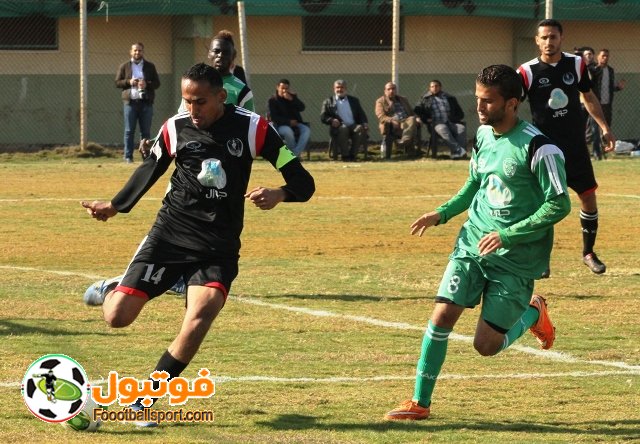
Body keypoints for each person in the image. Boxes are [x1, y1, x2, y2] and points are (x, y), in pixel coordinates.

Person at [81, 63, 315, 425]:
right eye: (187, 100)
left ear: (221, 96)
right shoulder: (175, 128)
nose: (193, 109)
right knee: (117, 317)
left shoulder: (254, 128)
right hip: (170, 235)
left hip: (218, 246)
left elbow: (302, 181)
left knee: (199, 318)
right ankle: (114, 287)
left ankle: (144, 400)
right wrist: (115, 206)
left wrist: (280, 193)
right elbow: (150, 169)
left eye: (200, 101)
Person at [384, 64, 571, 421]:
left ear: (512, 103)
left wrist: (507, 234)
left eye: (488, 101)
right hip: (472, 242)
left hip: (515, 257)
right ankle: (420, 402)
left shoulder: (540, 148)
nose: (480, 107)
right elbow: (475, 184)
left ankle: (534, 312)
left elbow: (559, 204)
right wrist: (442, 213)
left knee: (485, 346)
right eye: (478, 99)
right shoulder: (483, 136)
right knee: (442, 315)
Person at [84, 31, 255, 303]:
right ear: (209, 54)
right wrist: (156, 142)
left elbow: (250, 127)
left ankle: (186, 279)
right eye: (215, 51)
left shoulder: (241, 90)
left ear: (234, 57)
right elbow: (178, 122)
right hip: (189, 168)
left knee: (214, 228)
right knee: (172, 222)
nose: (220, 56)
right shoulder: (195, 85)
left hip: (220, 176)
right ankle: (125, 284)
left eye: (225, 52)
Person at [517, 19, 615, 275]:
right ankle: (541, 260)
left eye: (553, 37)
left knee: (588, 197)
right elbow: (512, 106)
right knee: (543, 203)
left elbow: (588, 96)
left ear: (561, 38)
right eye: (544, 37)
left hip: (575, 146)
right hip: (545, 149)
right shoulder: (526, 72)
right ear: (537, 41)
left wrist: (604, 127)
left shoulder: (576, 64)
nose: (549, 42)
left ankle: (588, 253)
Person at [115, 42, 160, 163]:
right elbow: (117, 82)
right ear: (131, 52)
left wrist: (147, 84)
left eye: (139, 50)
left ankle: (146, 157)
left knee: (145, 132)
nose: (137, 52)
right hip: (130, 103)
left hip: (146, 103)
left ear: (143, 52)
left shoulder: (150, 66)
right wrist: (129, 82)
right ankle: (128, 156)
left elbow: (157, 83)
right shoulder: (124, 66)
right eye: (135, 50)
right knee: (129, 131)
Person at [414, 80, 467, 159]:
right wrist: (426, 119)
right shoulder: (425, 99)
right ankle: (459, 151)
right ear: (429, 88)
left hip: (451, 122)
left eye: (436, 86)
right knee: (443, 128)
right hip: (436, 123)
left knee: (461, 128)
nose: (434, 88)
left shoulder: (450, 98)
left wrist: (454, 119)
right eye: (432, 86)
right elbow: (417, 111)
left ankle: (456, 154)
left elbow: (460, 113)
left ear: (440, 87)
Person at [320, 79, 369, 161]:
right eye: (337, 87)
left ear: (346, 88)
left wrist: (364, 123)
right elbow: (323, 116)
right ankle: (345, 156)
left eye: (342, 87)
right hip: (338, 127)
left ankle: (353, 156)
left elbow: (361, 114)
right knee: (343, 129)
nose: (340, 89)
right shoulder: (328, 101)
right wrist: (331, 120)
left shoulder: (354, 101)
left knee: (360, 129)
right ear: (334, 89)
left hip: (353, 125)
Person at [590, 48, 625, 159]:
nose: (605, 58)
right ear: (598, 57)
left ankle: (605, 150)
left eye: (607, 56)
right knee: (595, 129)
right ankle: (596, 153)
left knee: (607, 127)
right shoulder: (593, 70)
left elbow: (610, 87)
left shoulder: (610, 70)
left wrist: (618, 87)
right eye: (603, 56)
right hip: (596, 104)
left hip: (607, 104)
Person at [267, 79, 311, 157]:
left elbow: (302, 107)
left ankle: (294, 155)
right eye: (282, 88)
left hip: (296, 124)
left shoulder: (292, 97)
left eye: (286, 88)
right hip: (281, 125)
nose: (284, 90)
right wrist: (289, 122)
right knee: (288, 131)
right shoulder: (272, 100)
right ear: (277, 87)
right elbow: (274, 117)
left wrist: (292, 99)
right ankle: (294, 156)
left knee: (306, 130)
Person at [375, 82, 419, 159]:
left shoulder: (403, 99)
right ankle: (406, 144)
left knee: (412, 119)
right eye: (389, 89)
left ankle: (404, 141)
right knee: (412, 126)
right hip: (394, 123)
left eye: (393, 89)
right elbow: (381, 116)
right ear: (385, 91)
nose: (391, 91)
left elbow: (411, 113)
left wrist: (417, 118)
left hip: (406, 121)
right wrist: (391, 120)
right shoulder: (381, 101)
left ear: (396, 90)